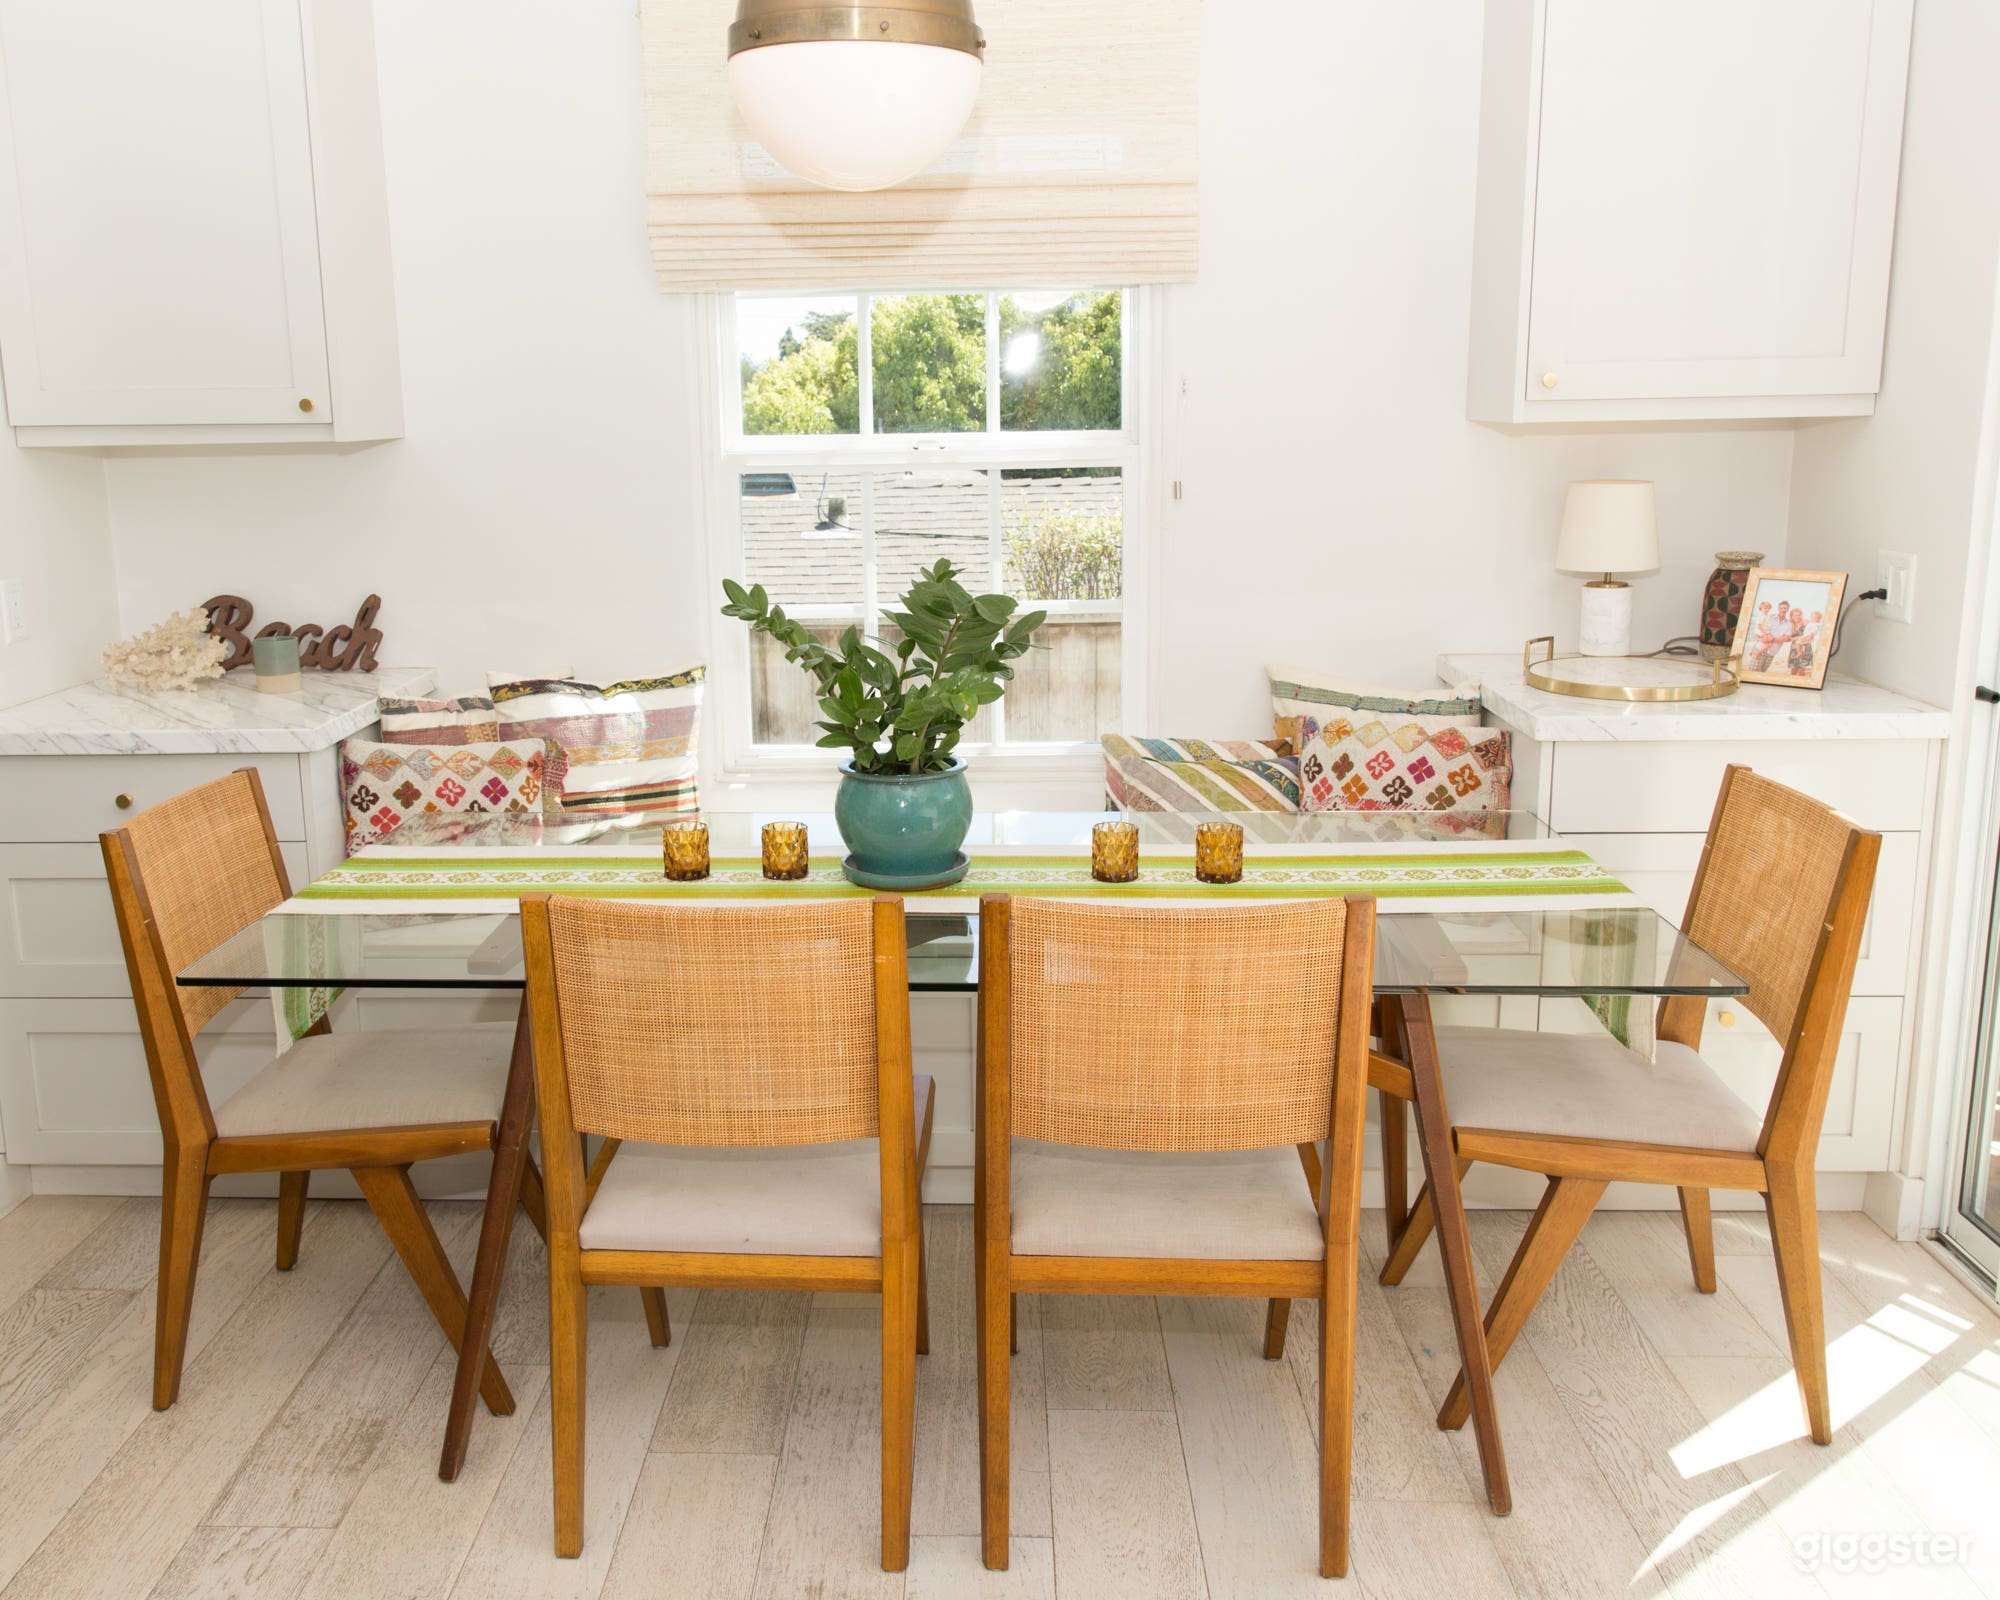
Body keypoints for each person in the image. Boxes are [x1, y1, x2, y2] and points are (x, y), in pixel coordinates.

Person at [1789, 609, 1824, 676]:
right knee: (1793, 669)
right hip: (1794, 648)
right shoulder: (1790, 624)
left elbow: (1815, 632)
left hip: (1805, 647)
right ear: (1791, 616)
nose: (1797, 617)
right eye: (1795, 615)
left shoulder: (1806, 622)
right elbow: (1788, 638)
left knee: (1801, 669)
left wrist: (1794, 638)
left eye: (1799, 615)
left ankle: (1800, 684)